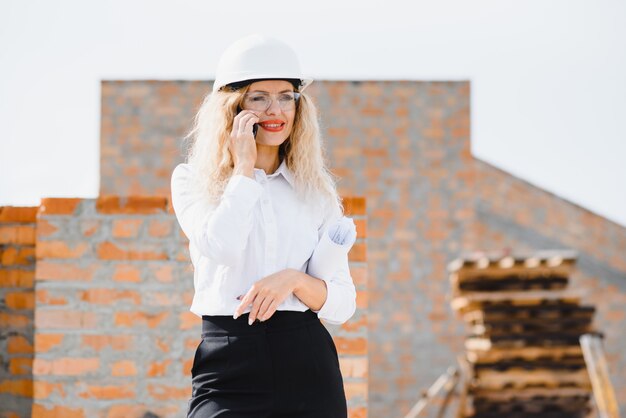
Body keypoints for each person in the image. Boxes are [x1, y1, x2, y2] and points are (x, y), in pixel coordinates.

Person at [170, 34, 357, 418]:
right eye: (259, 97)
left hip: (307, 361)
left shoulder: (316, 193)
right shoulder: (193, 181)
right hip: (228, 361)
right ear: (232, 106)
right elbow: (220, 246)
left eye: (286, 96)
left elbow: (343, 304)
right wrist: (243, 170)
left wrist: (293, 280)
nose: (276, 109)